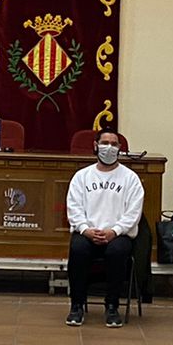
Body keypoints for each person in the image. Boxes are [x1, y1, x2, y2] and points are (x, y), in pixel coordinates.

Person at [64, 129, 143, 328]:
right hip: (87, 232)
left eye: (114, 143)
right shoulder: (81, 176)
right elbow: (73, 209)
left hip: (118, 234)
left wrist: (114, 231)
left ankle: (112, 306)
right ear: (95, 146)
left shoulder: (130, 178)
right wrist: (85, 229)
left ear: (119, 149)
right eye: (105, 142)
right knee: (78, 249)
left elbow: (133, 214)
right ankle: (77, 305)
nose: (109, 147)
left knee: (117, 252)